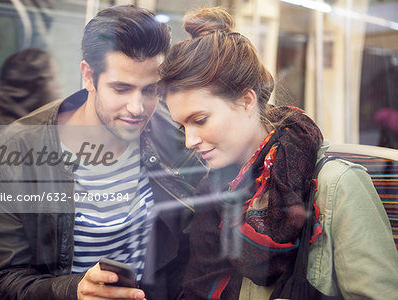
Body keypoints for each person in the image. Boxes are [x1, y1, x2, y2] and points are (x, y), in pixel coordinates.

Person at [158, 7, 398, 300]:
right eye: (182, 126)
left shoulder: (337, 185)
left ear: (246, 101)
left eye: (200, 120)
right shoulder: (213, 193)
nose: (190, 140)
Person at [0, 5, 205, 300]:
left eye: (150, 90)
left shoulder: (173, 132)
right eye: (121, 89)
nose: (138, 108)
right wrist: (74, 292)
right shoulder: (13, 153)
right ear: (88, 76)